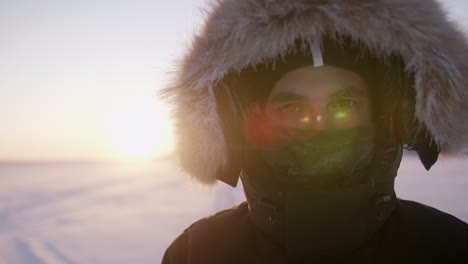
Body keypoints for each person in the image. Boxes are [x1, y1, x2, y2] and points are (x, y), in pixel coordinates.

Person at [162, 0, 468, 263]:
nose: (321, 125)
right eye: (294, 109)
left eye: (344, 104)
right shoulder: (196, 253)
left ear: (384, 116)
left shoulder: (448, 247)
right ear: (248, 121)